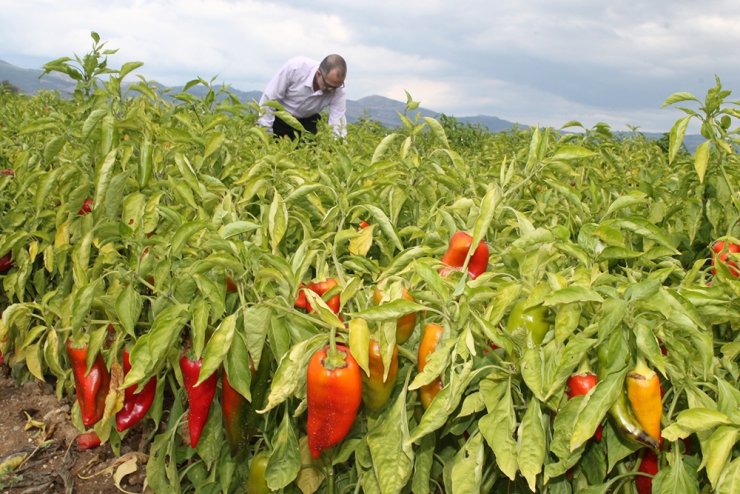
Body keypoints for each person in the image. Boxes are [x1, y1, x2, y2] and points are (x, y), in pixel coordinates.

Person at [257, 54, 347, 139]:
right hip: (279, 118)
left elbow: (337, 123)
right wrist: (265, 133)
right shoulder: (295, 68)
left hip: (307, 123)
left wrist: (337, 146)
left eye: (336, 87)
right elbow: (270, 99)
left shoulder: (338, 90)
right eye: (328, 85)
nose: (332, 90)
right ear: (318, 74)